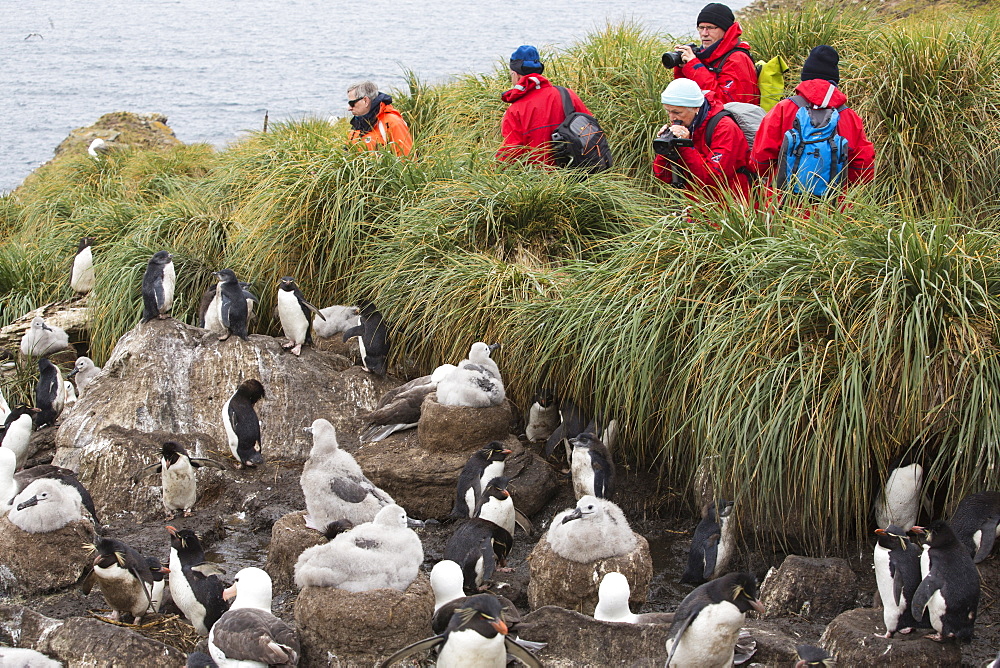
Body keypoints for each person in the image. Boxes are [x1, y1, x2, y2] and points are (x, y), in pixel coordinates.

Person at [751, 45, 875, 193]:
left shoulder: (783, 109)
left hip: (783, 204)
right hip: (833, 207)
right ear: (834, 80)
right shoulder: (849, 117)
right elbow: (864, 170)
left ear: (805, 77)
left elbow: (759, 160)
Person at [652, 78, 751, 202]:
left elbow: (712, 179)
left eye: (677, 112)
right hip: (696, 207)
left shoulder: (725, 129)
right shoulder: (687, 124)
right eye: (668, 111)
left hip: (729, 207)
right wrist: (665, 146)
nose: (672, 118)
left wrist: (685, 146)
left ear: (696, 108)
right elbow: (664, 176)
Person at [497, 45, 591, 166]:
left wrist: (492, 172)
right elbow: (590, 129)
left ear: (517, 75)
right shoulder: (567, 94)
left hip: (539, 179)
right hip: (577, 174)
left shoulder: (515, 110)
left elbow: (511, 152)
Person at [671, 3, 759, 106]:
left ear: (725, 30)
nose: (704, 33)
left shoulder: (737, 59)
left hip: (734, 120)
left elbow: (729, 104)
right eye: (701, 27)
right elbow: (685, 96)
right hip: (709, 119)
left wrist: (695, 67)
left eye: (710, 28)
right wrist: (682, 67)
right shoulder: (707, 55)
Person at [346, 81, 413, 157]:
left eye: (352, 104)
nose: (349, 108)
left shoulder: (393, 123)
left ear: (366, 101)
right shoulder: (357, 123)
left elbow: (407, 161)